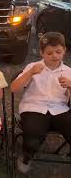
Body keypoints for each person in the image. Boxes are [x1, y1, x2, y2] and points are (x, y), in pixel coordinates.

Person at [11, 32, 71, 174]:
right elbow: (13, 88)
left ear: (64, 51)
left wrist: (70, 86)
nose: (54, 56)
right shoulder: (34, 66)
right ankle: (27, 156)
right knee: (33, 134)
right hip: (34, 108)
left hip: (59, 109)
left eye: (58, 52)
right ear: (41, 53)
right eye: (49, 53)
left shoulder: (68, 72)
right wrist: (30, 73)